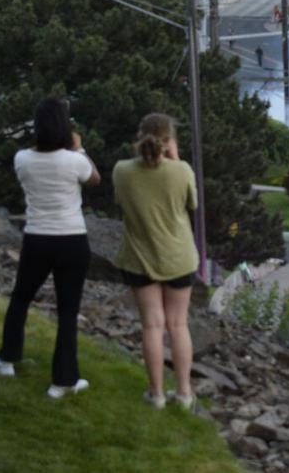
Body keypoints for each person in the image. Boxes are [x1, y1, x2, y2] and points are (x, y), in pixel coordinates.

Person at [0, 98, 100, 398]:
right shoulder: (74, 160)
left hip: (37, 237)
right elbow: (94, 179)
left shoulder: (22, 158)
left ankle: (7, 358)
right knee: (67, 311)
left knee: (21, 298)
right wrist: (80, 148)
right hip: (72, 238)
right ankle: (63, 380)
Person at [113, 113, 199, 410]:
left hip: (140, 257)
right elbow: (193, 204)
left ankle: (157, 393)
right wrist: (175, 160)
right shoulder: (181, 170)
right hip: (179, 256)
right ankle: (185, 393)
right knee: (178, 324)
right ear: (169, 141)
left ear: (139, 136)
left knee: (152, 325)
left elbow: (120, 202)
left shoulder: (122, 171)